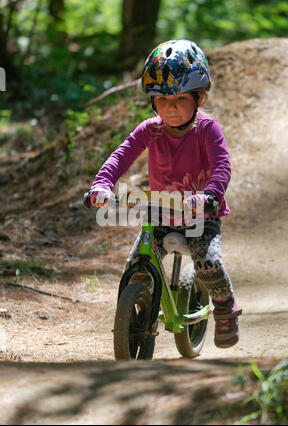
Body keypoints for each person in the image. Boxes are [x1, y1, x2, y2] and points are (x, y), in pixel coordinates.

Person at [89, 39, 242, 348]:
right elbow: (122, 155)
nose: (171, 108)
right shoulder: (150, 129)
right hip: (160, 214)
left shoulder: (207, 129)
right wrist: (102, 184)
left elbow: (222, 165)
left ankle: (225, 307)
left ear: (199, 98)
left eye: (181, 99)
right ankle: (136, 319)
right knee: (136, 270)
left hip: (200, 214)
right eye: (162, 99)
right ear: (152, 101)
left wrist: (210, 194)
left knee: (207, 263)